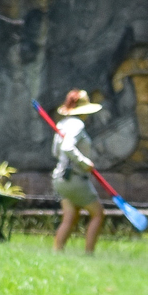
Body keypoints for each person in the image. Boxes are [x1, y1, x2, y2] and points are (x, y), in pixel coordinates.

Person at [50, 89, 107, 254]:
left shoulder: (62, 124)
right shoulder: (77, 124)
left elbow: (56, 151)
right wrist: (83, 162)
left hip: (60, 178)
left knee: (70, 217)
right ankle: (89, 253)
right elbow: (67, 146)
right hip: (75, 178)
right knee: (97, 214)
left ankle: (57, 251)